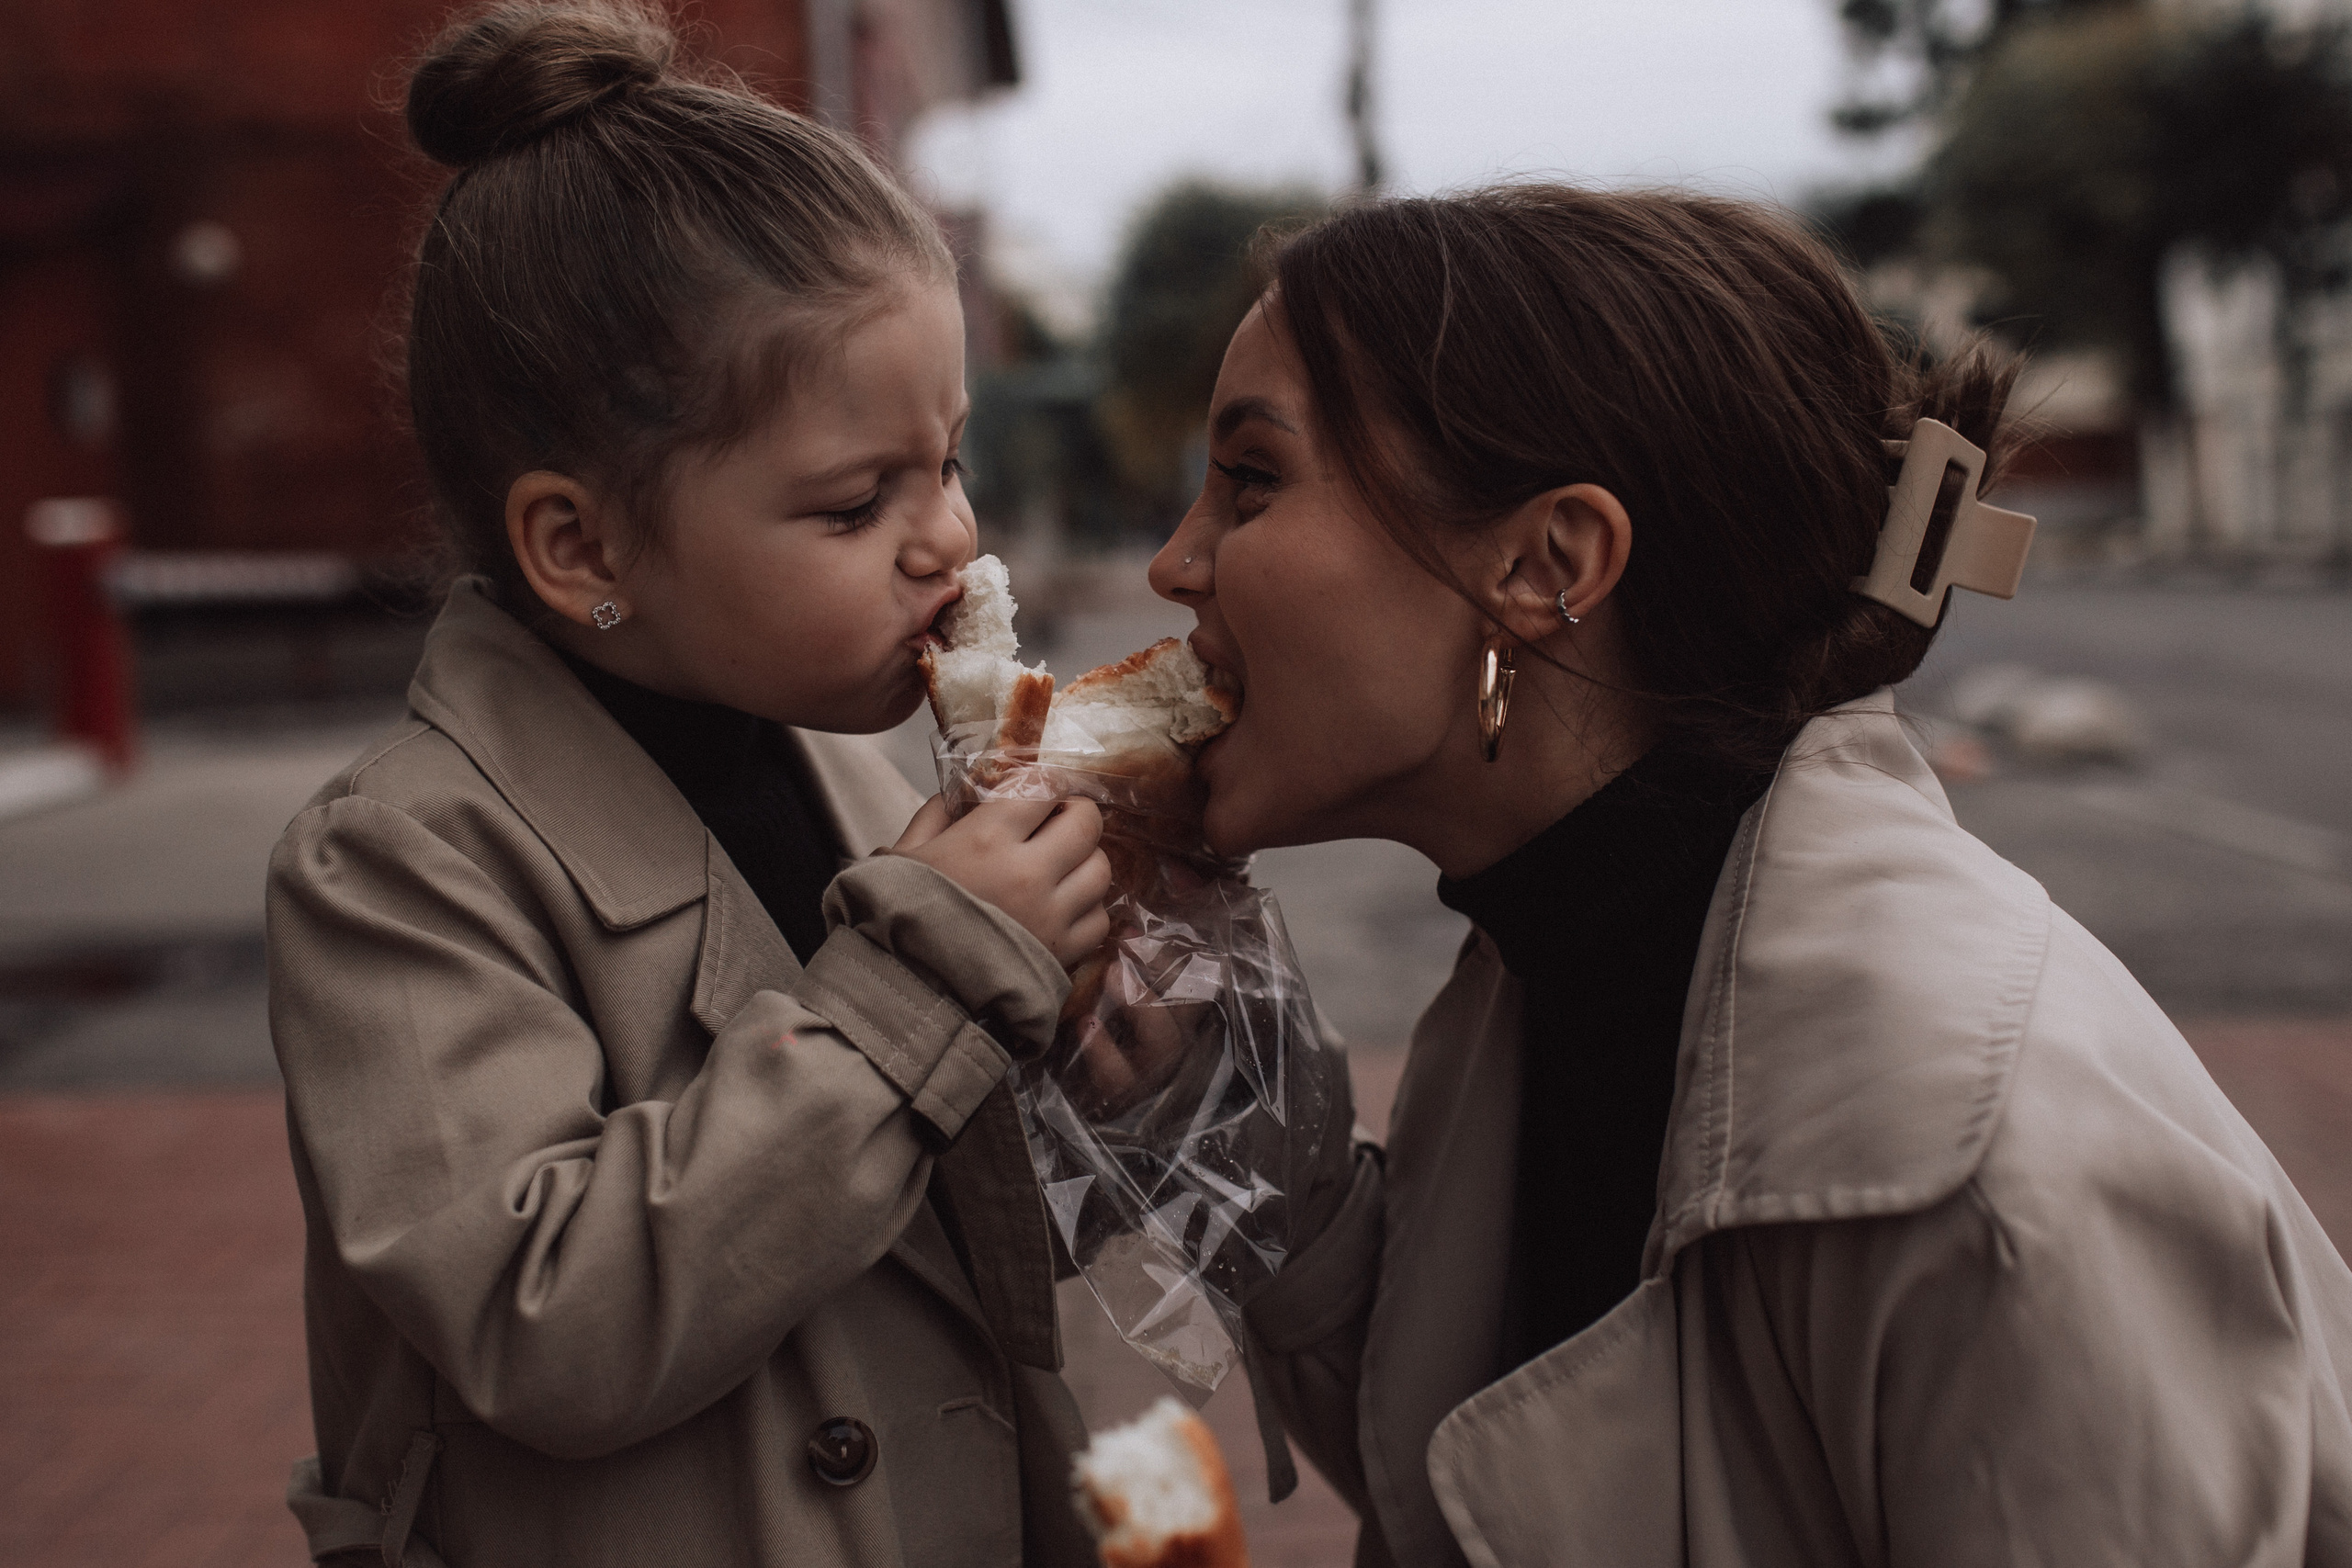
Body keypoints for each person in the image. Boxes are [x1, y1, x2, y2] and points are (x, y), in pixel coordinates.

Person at [1152, 186, 2352, 1566]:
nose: (1173, 563)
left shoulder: (1966, 1162)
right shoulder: (1560, 959)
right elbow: (1526, 1481)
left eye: (1250, 481)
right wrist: (1206, 1095)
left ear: (1548, 565)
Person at [265, 6, 1113, 1564]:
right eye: (859, 502)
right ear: (582, 550)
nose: (951, 539)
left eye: (952, 460)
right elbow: (547, 1325)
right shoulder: (399, 865)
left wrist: (1092, 1049)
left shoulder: (864, 775)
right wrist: (932, 982)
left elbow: (939, 1226)